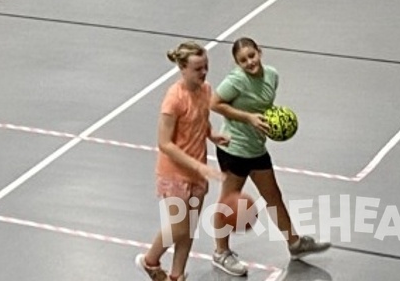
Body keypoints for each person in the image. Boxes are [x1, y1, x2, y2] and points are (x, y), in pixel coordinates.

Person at [209, 37, 330, 276]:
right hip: (234, 149)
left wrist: (276, 122)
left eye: (252, 56)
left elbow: (263, 105)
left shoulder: (272, 75)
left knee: (274, 196)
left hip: (256, 148)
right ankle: (220, 252)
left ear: (260, 53)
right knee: (229, 203)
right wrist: (248, 118)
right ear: (237, 63)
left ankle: (294, 244)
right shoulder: (236, 81)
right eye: (243, 60)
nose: (249, 62)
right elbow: (215, 104)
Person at [136, 42, 227, 281]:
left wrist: (211, 134)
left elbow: (201, 119)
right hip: (174, 174)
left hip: (197, 174)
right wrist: (198, 165)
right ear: (183, 69)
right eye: (198, 69)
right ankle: (150, 261)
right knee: (177, 228)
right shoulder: (173, 100)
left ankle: (177, 276)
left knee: (188, 231)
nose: (204, 72)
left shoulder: (205, 90)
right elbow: (164, 143)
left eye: (206, 66)